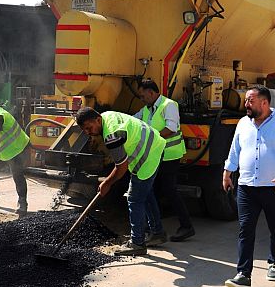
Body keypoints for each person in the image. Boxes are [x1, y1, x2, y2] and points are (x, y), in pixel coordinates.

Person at [223, 85, 275, 287]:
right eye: (246, 100)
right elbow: (235, 149)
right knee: (245, 229)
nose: (246, 104)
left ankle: (274, 262)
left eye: (250, 100)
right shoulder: (243, 123)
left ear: (264, 103)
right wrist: (228, 171)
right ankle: (243, 274)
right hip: (246, 185)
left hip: (273, 186)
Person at [76, 107, 166, 256]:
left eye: (89, 128)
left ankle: (137, 243)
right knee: (146, 193)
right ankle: (157, 233)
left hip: (148, 155)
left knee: (134, 198)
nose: (88, 132)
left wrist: (107, 183)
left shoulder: (112, 135)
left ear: (97, 120)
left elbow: (121, 167)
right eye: (84, 130)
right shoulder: (106, 116)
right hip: (154, 145)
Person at [134, 79, 195, 243]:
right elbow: (134, 120)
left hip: (170, 156)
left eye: (142, 95)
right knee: (152, 190)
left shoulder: (169, 105)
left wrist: (151, 139)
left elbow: (171, 128)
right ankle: (152, 227)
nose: (142, 98)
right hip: (155, 156)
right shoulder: (147, 109)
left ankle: (186, 226)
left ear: (151, 92)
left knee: (168, 190)